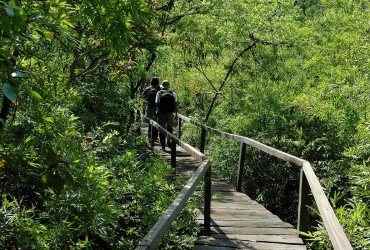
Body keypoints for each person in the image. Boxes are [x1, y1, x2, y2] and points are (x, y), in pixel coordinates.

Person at [155, 80, 178, 150]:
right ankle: (169, 141)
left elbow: (156, 103)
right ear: (168, 86)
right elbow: (175, 104)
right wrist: (176, 115)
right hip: (170, 113)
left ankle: (162, 145)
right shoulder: (173, 93)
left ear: (162, 86)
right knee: (170, 128)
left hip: (161, 113)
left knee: (162, 128)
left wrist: (159, 110)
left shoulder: (159, 93)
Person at [142, 77, 161, 147]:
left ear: (151, 82)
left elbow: (143, 99)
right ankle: (155, 137)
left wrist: (143, 109)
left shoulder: (147, 89)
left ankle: (150, 137)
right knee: (156, 122)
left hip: (149, 107)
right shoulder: (159, 89)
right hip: (156, 107)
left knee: (150, 122)